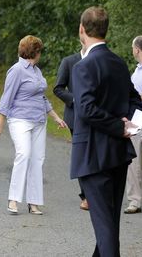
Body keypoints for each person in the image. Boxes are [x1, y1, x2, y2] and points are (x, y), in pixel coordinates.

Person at [70, 6, 141, 256]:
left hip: (93, 156)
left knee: (105, 227)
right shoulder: (119, 62)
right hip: (118, 154)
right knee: (110, 223)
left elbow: (86, 109)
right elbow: (135, 100)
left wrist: (120, 126)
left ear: (82, 29)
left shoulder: (83, 66)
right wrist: (130, 122)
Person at [0, 35, 66, 216]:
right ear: (35, 51)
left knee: (37, 160)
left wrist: (55, 117)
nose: (41, 54)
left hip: (39, 120)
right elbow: (7, 96)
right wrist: (0, 122)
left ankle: (34, 202)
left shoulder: (36, 71)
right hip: (20, 119)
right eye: (40, 50)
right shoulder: (17, 70)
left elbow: (41, 97)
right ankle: (13, 199)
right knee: (23, 155)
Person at [53, 45, 89, 211]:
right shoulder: (68, 62)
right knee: (81, 156)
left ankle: (98, 193)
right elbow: (58, 88)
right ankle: (86, 196)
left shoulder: (99, 60)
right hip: (75, 118)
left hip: (99, 117)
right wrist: (74, 99)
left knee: (96, 154)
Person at [124, 35, 142, 214]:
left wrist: (137, 96)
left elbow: (138, 95)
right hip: (136, 119)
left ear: (137, 49)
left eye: (133, 48)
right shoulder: (137, 70)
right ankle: (134, 201)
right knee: (133, 161)